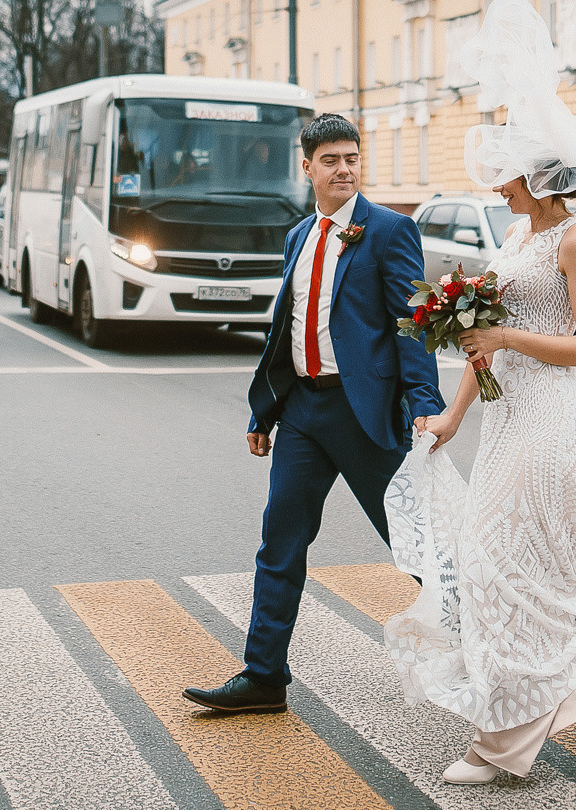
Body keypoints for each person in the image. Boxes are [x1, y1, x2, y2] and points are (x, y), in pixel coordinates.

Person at [381, 0, 576, 787]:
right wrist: (450, 417)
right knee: (518, 569)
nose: (497, 185)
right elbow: (480, 340)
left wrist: (503, 337)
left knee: (507, 568)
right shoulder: (515, 236)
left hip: (550, 425)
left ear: (539, 175)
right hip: (504, 422)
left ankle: (502, 748)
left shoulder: (574, 238)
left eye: (507, 173)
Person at [180, 112, 444, 718]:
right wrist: (265, 413)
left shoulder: (390, 230)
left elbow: (412, 325)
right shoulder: (298, 237)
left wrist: (424, 408)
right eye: (331, 160)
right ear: (307, 167)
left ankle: (490, 649)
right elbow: (286, 331)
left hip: (365, 413)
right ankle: (264, 675)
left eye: (352, 158)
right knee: (280, 541)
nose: (344, 169)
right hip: (302, 411)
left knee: (412, 544)